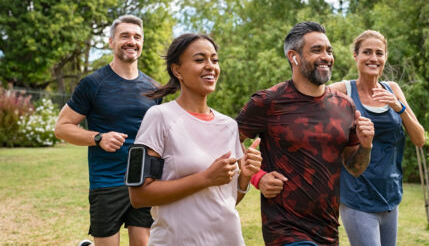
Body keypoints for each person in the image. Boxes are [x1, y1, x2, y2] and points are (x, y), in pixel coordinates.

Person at [236, 21, 375, 246]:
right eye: (316, 50)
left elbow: (355, 167)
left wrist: (366, 145)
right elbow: (228, 140)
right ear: (294, 56)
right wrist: (258, 177)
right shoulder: (268, 102)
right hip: (284, 229)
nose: (326, 56)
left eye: (329, 51)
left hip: (328, 231)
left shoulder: (345, 106)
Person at [128, 33, 262, 246]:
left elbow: (225, 201)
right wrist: (206, 178)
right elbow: (139, 196)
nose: (210, 66)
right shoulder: (159, 117)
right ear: (177, 70)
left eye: (214, 60)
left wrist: (244, 177)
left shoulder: (229, 126)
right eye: (200, 60)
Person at [54, 15, 161, 246]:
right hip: (107, 181)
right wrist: (98, 138)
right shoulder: (93, 84)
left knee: (143, 244)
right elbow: (61, 127)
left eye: (137, 37)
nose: (131, 41)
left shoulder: (154, 89)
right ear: (111, 41)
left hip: (143, 180)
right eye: (125, 36)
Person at [331, 30, 426, 246]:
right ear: (355, 56)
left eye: (379, 53)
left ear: (385, 58)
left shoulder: (392, 89)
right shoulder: (341, 91)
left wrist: (398, 107)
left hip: (390, 196)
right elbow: (308, 103)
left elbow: (420, 139)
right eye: (367, 52)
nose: (373, 58)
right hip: (358, 198)